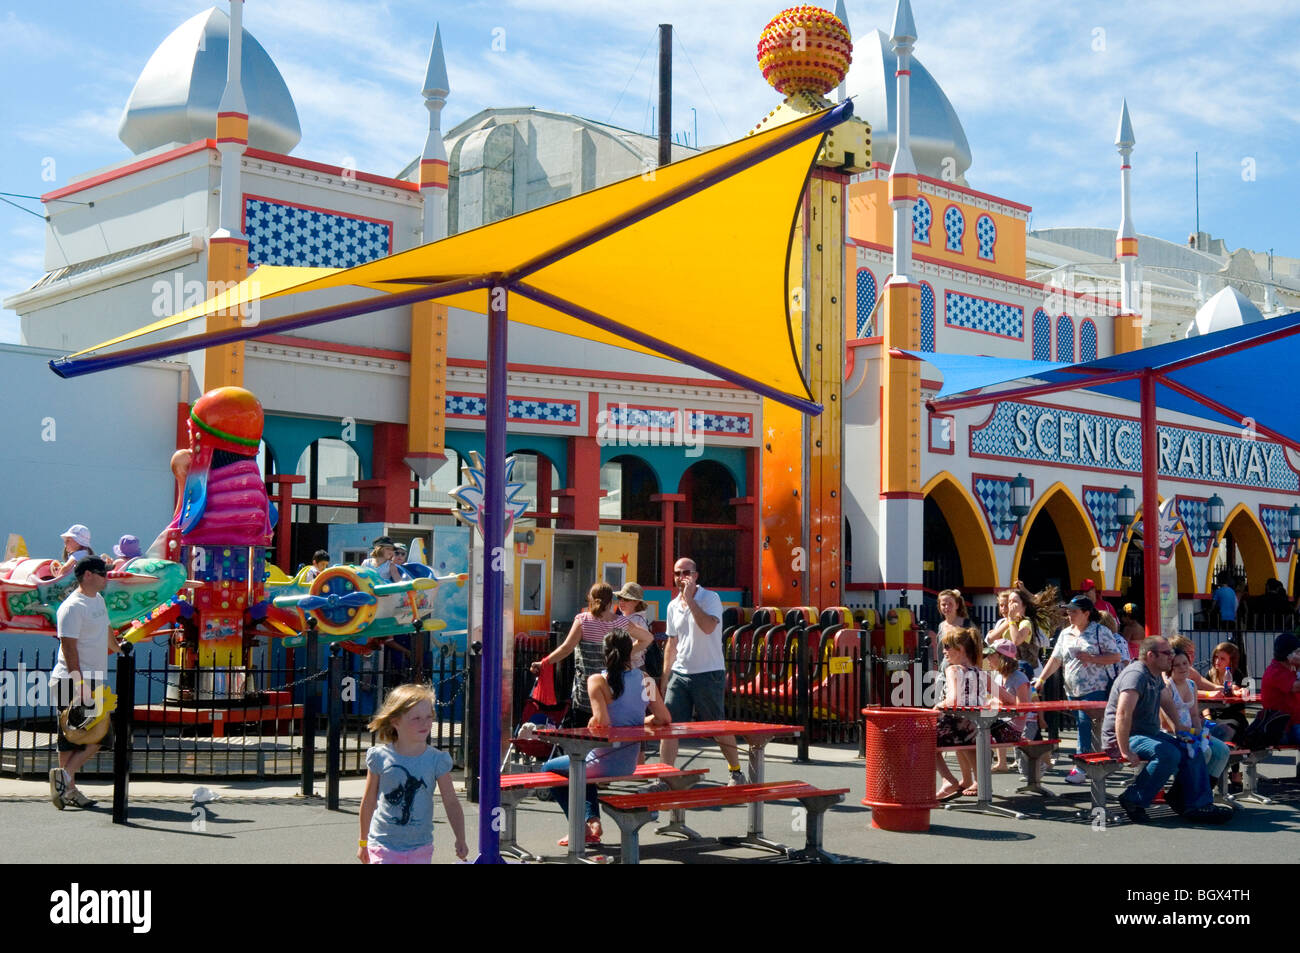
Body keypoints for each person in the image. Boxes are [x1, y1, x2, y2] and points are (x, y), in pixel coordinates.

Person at [540, 630, 672, 847]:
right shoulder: (645, 679)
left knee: (549, 769)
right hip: (628, 763)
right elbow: (664, 717)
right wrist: (640, 721)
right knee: (579, 764)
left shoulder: (597, 680)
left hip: (602, 761)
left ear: (604, 654)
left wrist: (594, 719)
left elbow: (602, 723)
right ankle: (592, 822)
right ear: (631, 653)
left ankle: (580, 827)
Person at [1102, 636, 1227, 824]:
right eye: (1167, 653)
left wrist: (1178, 727)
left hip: (1148, 733)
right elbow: (1123, 714)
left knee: (1191, 747)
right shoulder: (1136, 675)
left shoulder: (1153, 674)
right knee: (1168, 754)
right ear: (1151, 655)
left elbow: (1166, 701)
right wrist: (1125, 749)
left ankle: (1196, 804)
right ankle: (1133, 798)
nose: (1171, 656)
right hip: (1126, 736)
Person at [657, 557, 745, 786]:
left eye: (686, 572)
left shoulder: (710, 598)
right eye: (677, 573)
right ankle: (665, 776)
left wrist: (690, 601)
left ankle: (736, 771)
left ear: (696, 575)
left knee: (716, 725)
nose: (681, 577)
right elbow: (672, 643)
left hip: (708, 671)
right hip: (680, 672)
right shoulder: (672, 605)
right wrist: (665, 677)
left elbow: (708, 627)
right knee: (670, 727)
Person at [359, 683, 467, 864]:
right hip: (383, 845)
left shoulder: (436, 760)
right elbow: (369, 801)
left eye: (428, 716)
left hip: (421, 846)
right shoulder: (379, 757)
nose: (425, 723)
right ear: (395, 721)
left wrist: (460, 838)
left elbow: (451, 801)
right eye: (416, 718)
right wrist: (363, 842)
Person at [47, 556, 120, 810]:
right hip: (72, 680)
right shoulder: (72, 607)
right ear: (87, 575)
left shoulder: (97, 600)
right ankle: (67, 782)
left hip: (92, 680)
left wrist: (118, 648)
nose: (106, 577)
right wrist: (79, 685)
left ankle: (65, 783)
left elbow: (106, 628)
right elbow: (68, 647)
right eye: (102, 573)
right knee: (83, 736)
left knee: (93, 735)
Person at [531, 582, 652, 727]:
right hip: (612, 692)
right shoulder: (621, 622)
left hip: (585, 694)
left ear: (591, 599)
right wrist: (623, 653)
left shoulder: (582, 620)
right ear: (610, 602)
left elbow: (566, 648)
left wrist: (543, 662)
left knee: (583, 736)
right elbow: (648, 638)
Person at [1033, 595, 1123, 783]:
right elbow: (1056, 658)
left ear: (1086, 613)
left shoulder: (1100, 632)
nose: (1069, 614)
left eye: (1074, 611)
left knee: (1084, 724)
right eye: (1068, 611)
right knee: (1088, 727)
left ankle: (1081, 767)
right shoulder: (1066, 634)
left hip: (1096, 687)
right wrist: (1042, 678)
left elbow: (1115, 656)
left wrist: (1091, 658)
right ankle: (1098, 762)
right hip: (1073, 690)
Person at [934, 627, 1013, 799]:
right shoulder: (981, 673)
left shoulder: (954, 670)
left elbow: (954, 700)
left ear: (960, 649)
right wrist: (993, 702)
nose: (944, 651)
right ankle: (980, 782)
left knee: (924, 741)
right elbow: (1010, 700)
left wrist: (938, 706)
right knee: (966, 742)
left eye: (947, 646)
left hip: (955, 726)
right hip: (974, 728)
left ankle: (948, 780)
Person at [1162, 650, 1230, 785]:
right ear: (1170, 667)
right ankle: (1187, 791)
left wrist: (1199, 731)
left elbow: (1194, 715)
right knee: (1204, 752)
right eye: (1177, 665)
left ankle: (1205, 791)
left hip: (1191, 731)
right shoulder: (1168, 687)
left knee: (1223, 750)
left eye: (1185, 663)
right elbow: (1168, 724)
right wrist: (1194, 733)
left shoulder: (1191, 685)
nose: (1182, 667)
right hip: (1172, 733)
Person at [987, 638, 1031, 774]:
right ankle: (1001, 763)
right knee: (977, 725)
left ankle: (982, 766)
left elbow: (1022, 707)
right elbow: (993, 701)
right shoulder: (998, 676)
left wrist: (1001, 700)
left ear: (1002, 658)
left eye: (991, 655)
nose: (987, 658)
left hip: (1014, 729)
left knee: (982, 729)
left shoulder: (1019, 678)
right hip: (1002, 722)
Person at [1260, 632, 1300, 744]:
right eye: (1297, 652)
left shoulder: (1289, 668)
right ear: (1288, 655)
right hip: (1284, 727)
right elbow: (1297, 687)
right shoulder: (1276, 672)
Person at [613, 581, 652, 672]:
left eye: (626, 599)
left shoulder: (638, 619)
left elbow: (642, 642)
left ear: (636, 602)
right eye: (620, 598)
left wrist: (623, 655)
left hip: (634, 667)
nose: (621, 602)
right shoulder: (624, 617)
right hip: (625, 666)